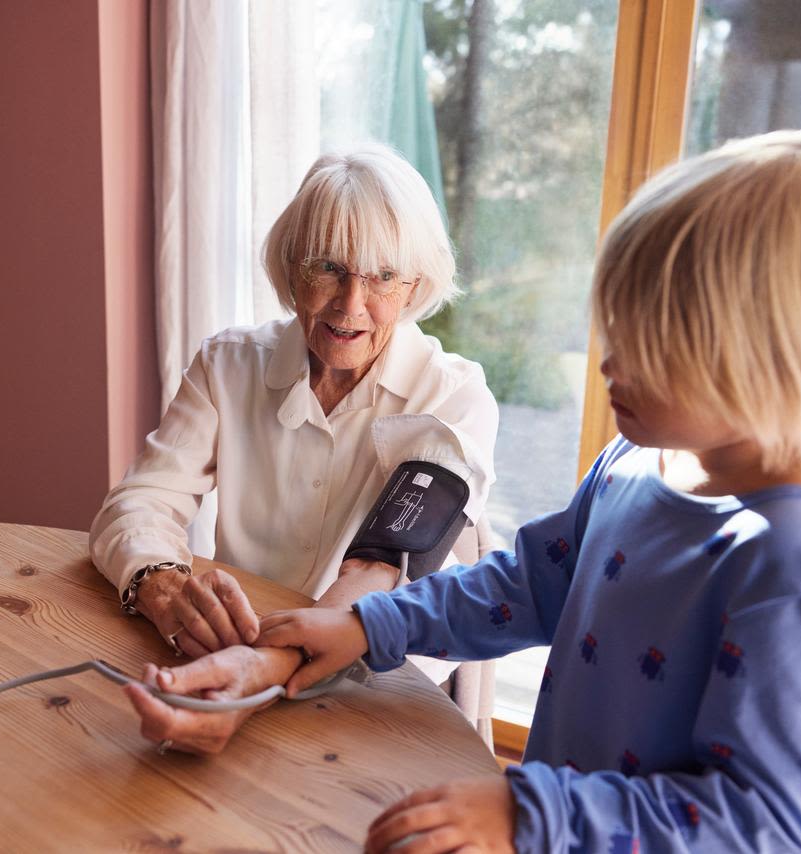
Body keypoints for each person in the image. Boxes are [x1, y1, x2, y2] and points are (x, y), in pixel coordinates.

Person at [256, 131, 801, 852]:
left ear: (772, 362)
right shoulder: (635, 465)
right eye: (613, 326)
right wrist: (371, 625)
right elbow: (524, 585)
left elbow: (763, 824)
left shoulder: (795, 572)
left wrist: (534, 813)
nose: (609, 360)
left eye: (648, 344)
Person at [91, 143, 499, 754]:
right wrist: (162, 584)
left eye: (383, 276)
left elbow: (381, 565)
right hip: (239, 657)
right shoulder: (227, 364)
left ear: (414, 282)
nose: (350, 305)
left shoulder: (455, 395)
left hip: (380, 693)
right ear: (291, 265)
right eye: (328, 267)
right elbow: (140, 501)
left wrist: (264, 669)